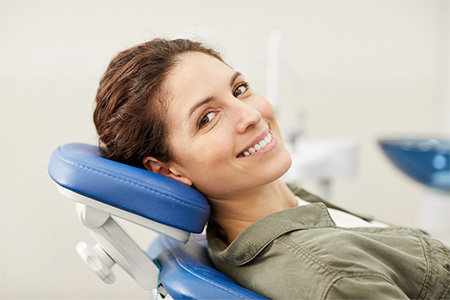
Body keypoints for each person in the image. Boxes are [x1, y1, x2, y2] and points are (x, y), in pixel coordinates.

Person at [93, 38, 450, 299]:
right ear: (169, 172)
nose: (251, 115)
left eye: (240, 89)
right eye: (207, 118)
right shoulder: (331, 278)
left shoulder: (283, 210)